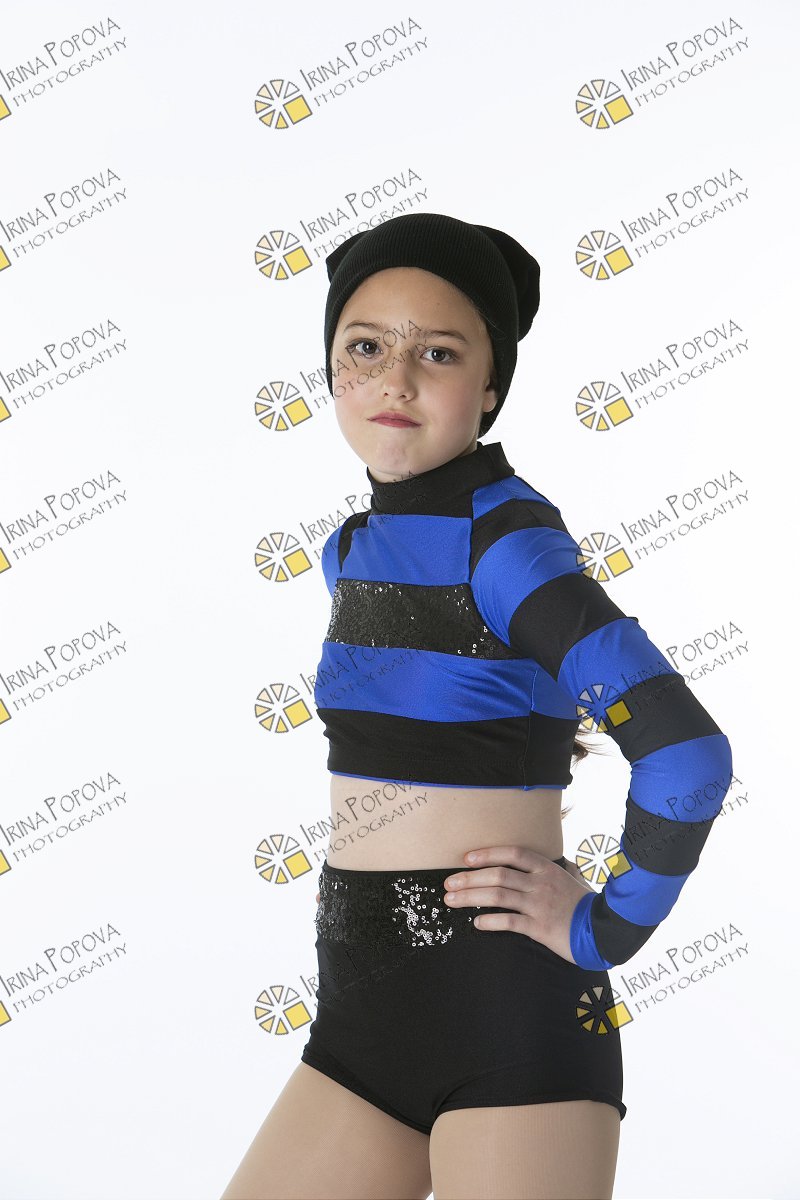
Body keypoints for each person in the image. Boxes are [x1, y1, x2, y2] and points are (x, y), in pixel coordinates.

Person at [220, 213, 734, 1200]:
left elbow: (685, 756)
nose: (394, 379)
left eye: (438, 353)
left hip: (513, 1027)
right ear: (330, 369)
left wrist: (603, 931)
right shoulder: (350, 550)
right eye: (364, 347)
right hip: (358, 1028)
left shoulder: (507, 547)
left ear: (490, 386)